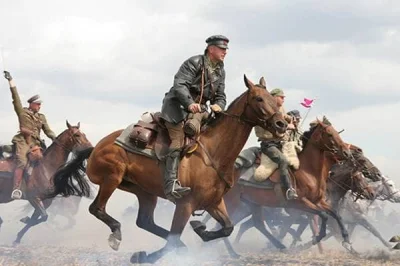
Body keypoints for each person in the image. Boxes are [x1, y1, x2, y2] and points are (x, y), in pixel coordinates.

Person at [160, 35, 229, 201]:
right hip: (177, 107)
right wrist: (189, 103)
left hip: (199, 112)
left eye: (226, 50)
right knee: (178, 139)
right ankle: (171, 184)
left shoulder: (220, 70)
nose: (225, 52)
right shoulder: (194, 62)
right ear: (211, 49)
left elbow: (220, 95)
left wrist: (219, 105)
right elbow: (180, 85)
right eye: (222, 49)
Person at [3, 71, 56, 199]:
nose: (39, 106)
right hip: (23, 141)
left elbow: (47, 130)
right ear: (31, 104)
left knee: (47, 162)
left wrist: (55, 138)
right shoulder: (22, 112)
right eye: (37, 104)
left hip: (36, 144)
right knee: (22, 161)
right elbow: (15, 98)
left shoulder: (41, 117)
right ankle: (16, 189)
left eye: (40, 104)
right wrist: (11, 81)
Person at [254, 88, 298, 200]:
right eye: (281, 97)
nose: (283, 99)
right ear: (274, 97)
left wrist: (293, 119)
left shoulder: (280, 107)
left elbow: (285, 116)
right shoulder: (266, 110)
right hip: (268, 144)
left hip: (280, 142)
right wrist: (288, 126)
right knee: (283, 160)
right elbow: (276, 124)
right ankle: (288, 190)